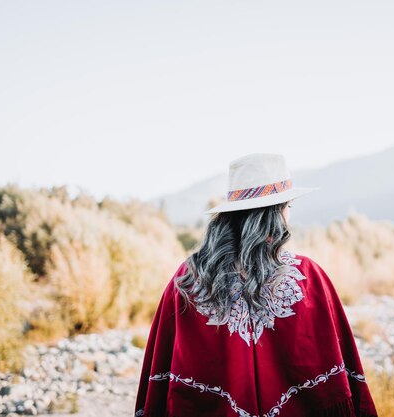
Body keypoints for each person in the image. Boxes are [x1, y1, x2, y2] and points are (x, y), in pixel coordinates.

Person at [134, 153, 378, 417]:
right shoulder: (309, 275)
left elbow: (161, 367)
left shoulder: (188, 278)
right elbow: (339, 369)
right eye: (288, 207)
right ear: (277, 212)